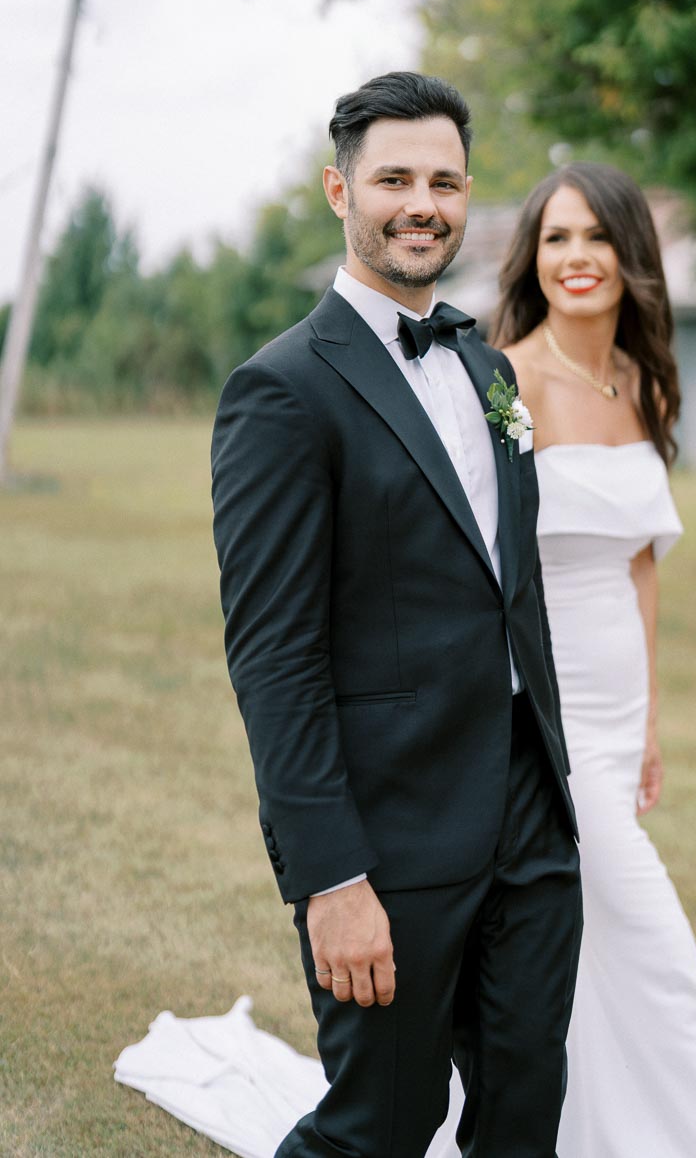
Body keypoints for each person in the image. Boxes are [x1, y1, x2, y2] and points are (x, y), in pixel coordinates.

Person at [210, 72, 582, 1158]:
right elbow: (273, 660)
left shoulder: (487, 366)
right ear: (340, 190)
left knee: (524, 1114)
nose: (423, 203)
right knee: (380, 1125)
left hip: (526, 809)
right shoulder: (282, 391)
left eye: (446, 181)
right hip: (391, 829)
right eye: (395, 180)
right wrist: (330, 878)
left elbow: (514, 589)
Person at [488, 161, 696, 1157]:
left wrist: (651, 718)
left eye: (596, 237)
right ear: (534, 259)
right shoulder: (505, 384)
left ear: (632, 255)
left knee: (599, 947)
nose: (576, 258)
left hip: (620, 724)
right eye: (556, 238)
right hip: (543, 719)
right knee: (655, 942)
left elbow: (642, 567)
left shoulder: (640, 382)